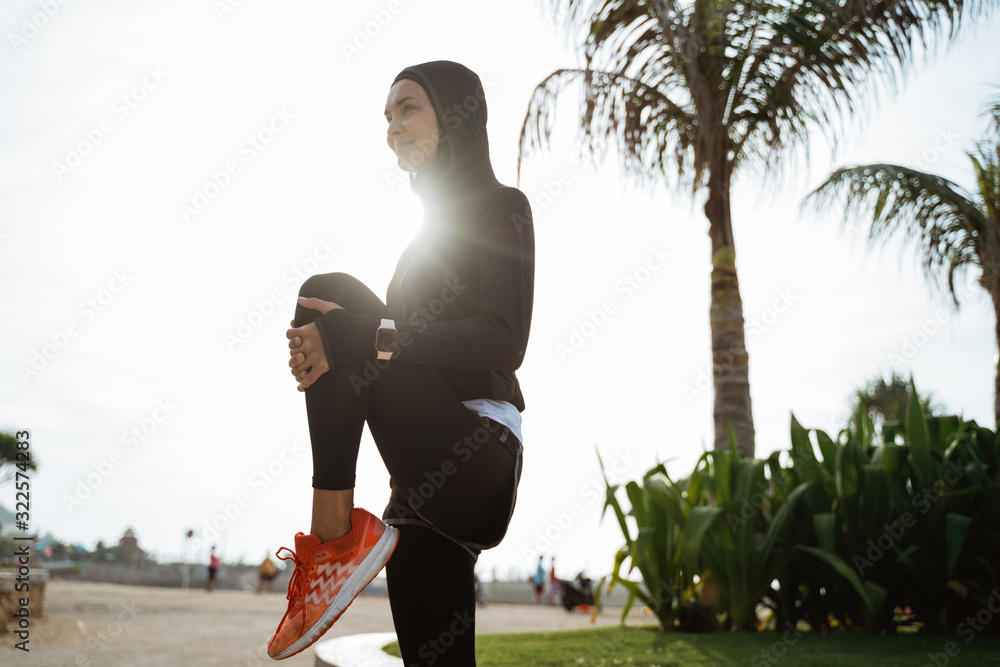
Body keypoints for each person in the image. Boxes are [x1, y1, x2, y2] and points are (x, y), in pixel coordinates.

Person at [266, 60, 534, 665]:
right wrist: (330, 348)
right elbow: (393, 353)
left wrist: (355, 335)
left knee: (328, 295)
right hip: (417, 486)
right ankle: (343, 540)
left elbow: (503, 339)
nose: (392, 127)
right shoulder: (417, 248)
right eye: (387, 116)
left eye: (408, 108)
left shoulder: (503, 207)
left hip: (479, 454)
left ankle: (333, 541)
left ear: (457, 113)